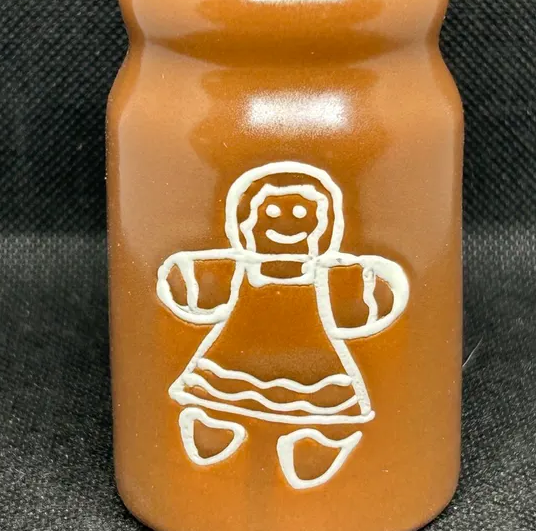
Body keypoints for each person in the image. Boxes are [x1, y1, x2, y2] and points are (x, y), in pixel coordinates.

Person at [157, 161, 409, 489]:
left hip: (317, 368)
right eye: (271, 213)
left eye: (303, 215)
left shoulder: (325, 275)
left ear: (324, 227)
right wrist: (186, 278)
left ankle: (317, 444)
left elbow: (364, 297)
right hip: (234, 357)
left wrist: (373, 284)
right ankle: (214, 426)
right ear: (246, 225)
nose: (286, 224)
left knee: (326, 405)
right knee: (217, 395)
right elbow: (195, 284)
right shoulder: (241, 269)